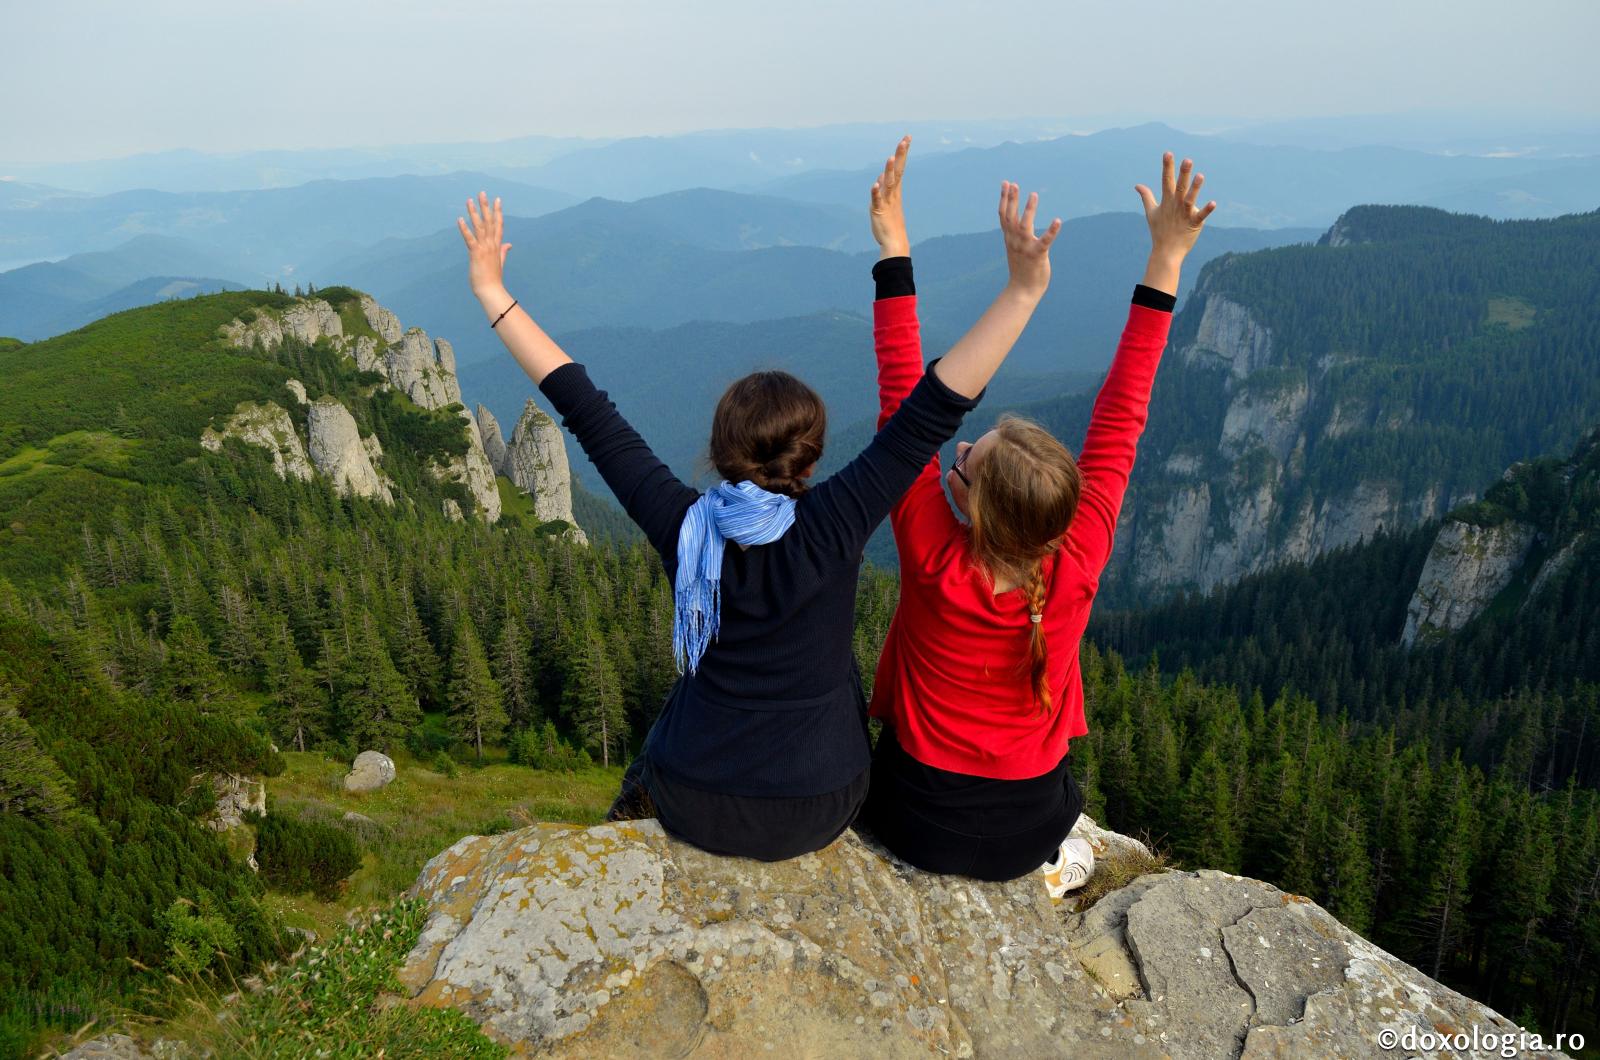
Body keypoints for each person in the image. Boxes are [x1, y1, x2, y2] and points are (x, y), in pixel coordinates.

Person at [456, 150, 1062, 861]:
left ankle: (629, 807)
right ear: (812, 457)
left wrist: (491, 289)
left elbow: (583, 406)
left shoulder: (683, 525)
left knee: (683, 702)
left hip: (696, 799)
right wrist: (1022, 289)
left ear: (719, 453)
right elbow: (933, 408)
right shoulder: (835, 523)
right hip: (824, 801)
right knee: (838, 674)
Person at [862, 142, 1215, 894]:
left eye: (965, 461)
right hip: (1028, 832)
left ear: (977, 511)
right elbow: (1123, 412)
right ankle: (1061, 863)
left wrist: (894, 249)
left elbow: (903, 400)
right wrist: (1167, 258)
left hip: (911, 820)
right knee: (1058, 803)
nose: (957, 448)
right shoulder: (1079, 552)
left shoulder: (930, 553)